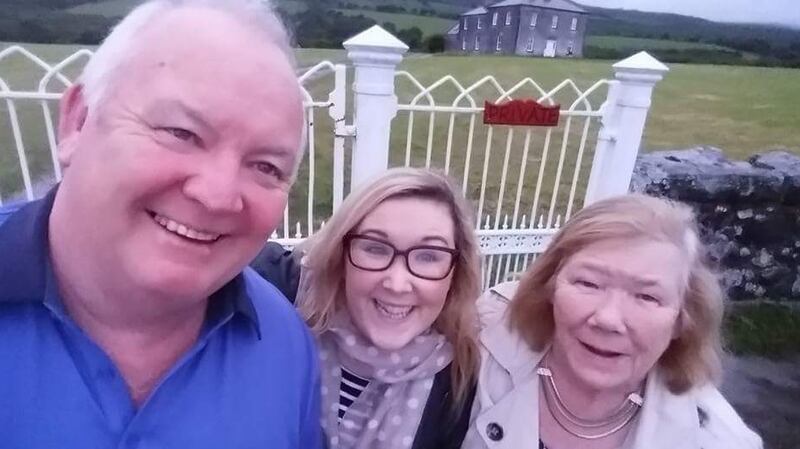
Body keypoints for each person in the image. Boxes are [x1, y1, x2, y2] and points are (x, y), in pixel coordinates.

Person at [0, 1, 321, 448]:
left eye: (266, 166)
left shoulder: (285, 346)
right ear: (79, 120)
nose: (217, 195)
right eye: (180, 133)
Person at [462, 194, 762, 449]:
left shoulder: (718, 439)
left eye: (646, 297)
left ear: (683, 320)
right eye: (589, 284)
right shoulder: (473, 353)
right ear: (549, 286)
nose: (608, 318)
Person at [252, 168, 481, 449]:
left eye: (428, 256)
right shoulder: (276, 296)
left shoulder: (460, 380)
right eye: (375, 248)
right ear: (341, 253)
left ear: (456, 272)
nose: (397, 284)